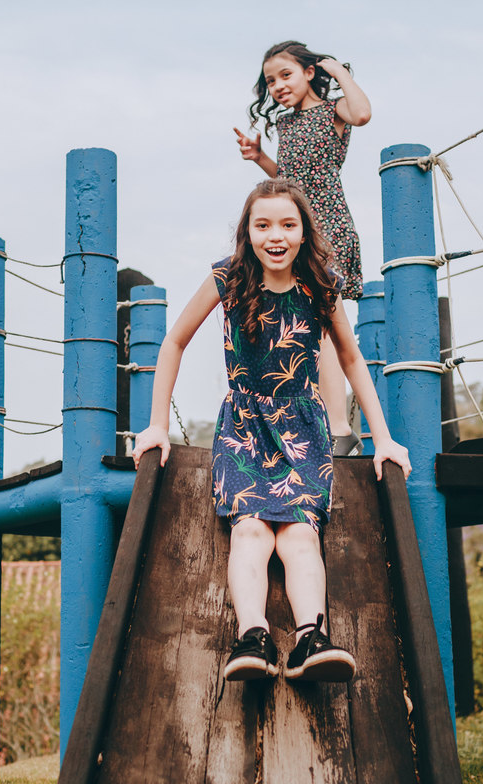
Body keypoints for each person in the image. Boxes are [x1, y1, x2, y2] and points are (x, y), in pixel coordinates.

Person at [132, 179, 411, 684]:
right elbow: (173, 342)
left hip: (302, 430)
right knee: (250, 530)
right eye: (263, 225)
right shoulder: (227, 278)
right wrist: (156, 425)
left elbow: (351, 358)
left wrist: (383, 438)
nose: (275, 236)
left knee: (301, 535)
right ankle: (252, 636)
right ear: (248, 232)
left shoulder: (320, 285)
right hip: (243, 428)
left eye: (287, 224)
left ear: (304, 232)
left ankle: (310, 639)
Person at [233, 40, 370, 456]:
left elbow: (363, 113)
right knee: (307, 327)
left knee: (325, 326)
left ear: (310, 73)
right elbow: (290, 180)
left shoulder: (333, 112)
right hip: (295, 232)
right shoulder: (286, 124)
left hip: (327, 228)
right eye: (270, 81)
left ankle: (340, 428)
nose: (277, 86)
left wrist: (337, 69)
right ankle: (322, 422)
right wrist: (260, 158)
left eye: (286, 75)